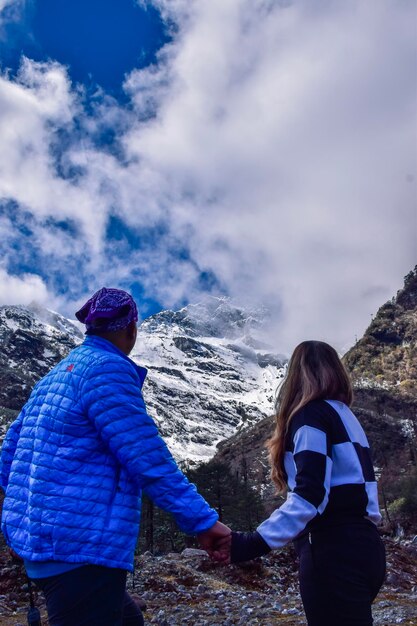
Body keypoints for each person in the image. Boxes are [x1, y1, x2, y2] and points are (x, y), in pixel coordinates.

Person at [0, 287, 230, 626]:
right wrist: (203, 521)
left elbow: (8, 455)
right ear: (131, 329)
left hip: (45, 547)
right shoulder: (107, 370)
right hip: (80, 550)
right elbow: (147, 458)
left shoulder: (55, 376)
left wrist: (31, 518)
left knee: (128, 620)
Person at [215, 340, 386, 626]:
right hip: (368, 547)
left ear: (294, 376)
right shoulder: (346, 415)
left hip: (333, 551)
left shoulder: (311, 416)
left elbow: (311, 494)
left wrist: (252, 543)